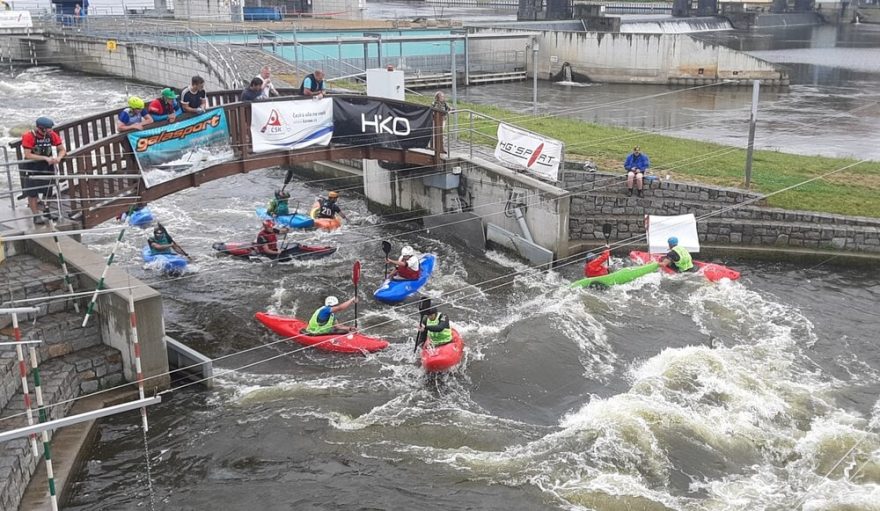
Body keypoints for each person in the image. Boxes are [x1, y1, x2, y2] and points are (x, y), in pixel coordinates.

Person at [20, 117, 66, 224]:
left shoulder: (52, 135)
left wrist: (58, 158)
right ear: (41, 129)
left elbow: (62, 149)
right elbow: (27, 154)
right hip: (32, 168)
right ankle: (36, 215)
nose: (51, 131)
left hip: (47, 168)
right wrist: (45, 158)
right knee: (32, 193)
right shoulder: (29, 136)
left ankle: (47, 211)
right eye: (48, 129)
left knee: (48, 192)